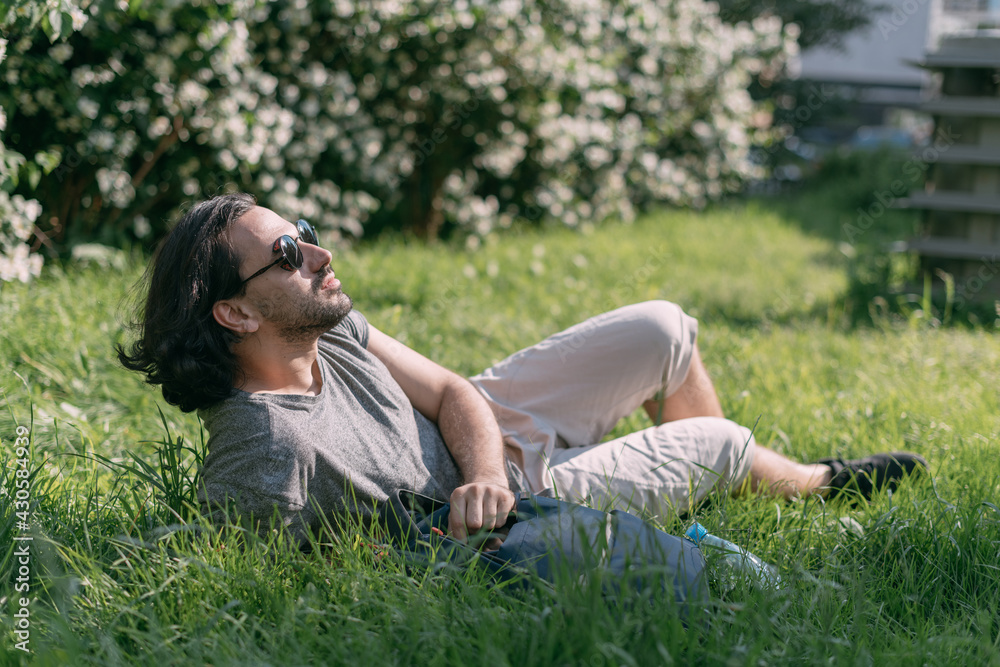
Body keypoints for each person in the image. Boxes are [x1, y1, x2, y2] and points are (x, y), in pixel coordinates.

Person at [118, 193, 927, 545]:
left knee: (664, 328)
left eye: (301, 230)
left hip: (485, 442)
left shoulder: (325, 330)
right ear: (236, 313)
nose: (320, 253)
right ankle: (809, 483)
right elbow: (232, 540)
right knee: (716, 441)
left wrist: (480, 464)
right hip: (514, 504)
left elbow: (450, 390)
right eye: (290, 253)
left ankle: (684, 516)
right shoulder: (266, 443)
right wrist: (485, 496)